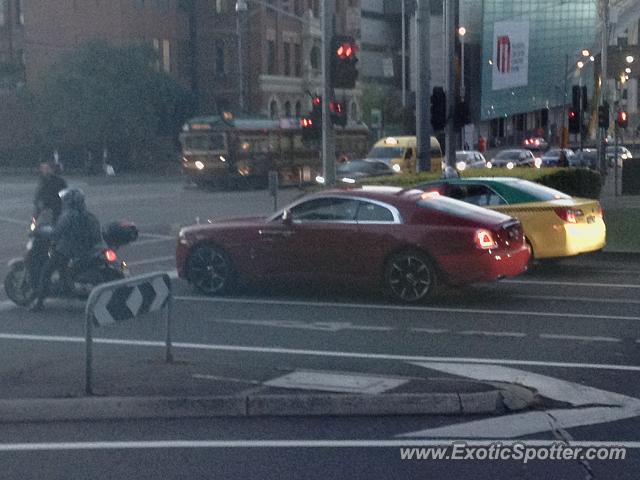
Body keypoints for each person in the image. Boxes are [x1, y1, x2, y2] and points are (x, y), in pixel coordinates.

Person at [30, 188, 103, 312]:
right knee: (62, 270)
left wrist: (39, 230)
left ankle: (39, 303)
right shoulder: (87, 215)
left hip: (67, 250)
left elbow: (56, 233)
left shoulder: (69, 215)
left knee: (46, 272)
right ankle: (67, 287)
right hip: (84, 250)